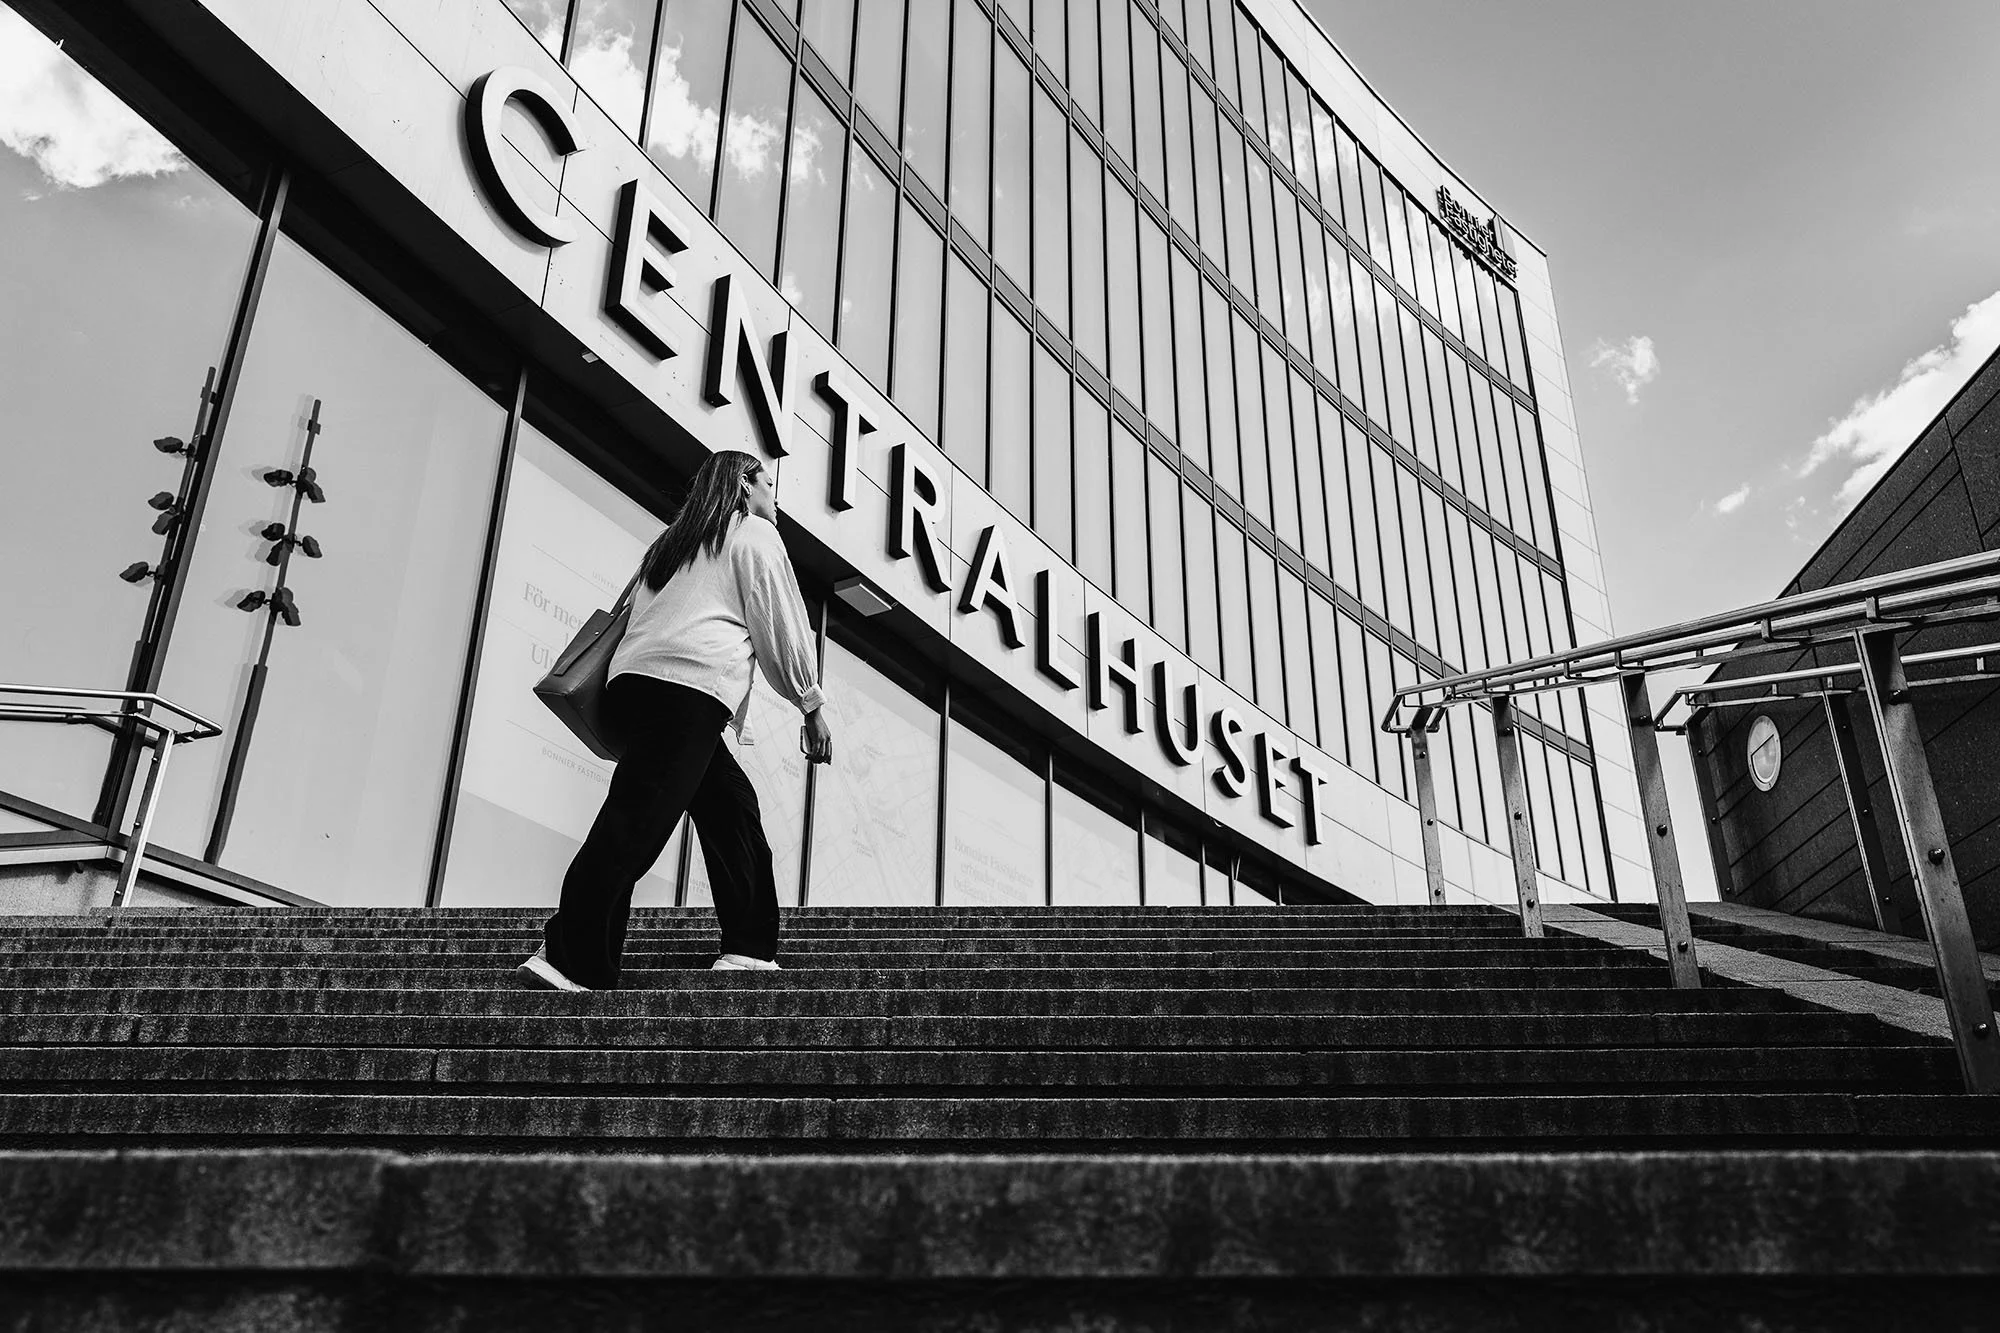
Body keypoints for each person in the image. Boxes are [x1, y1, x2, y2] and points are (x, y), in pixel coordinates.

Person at [519, 450, 832, 992]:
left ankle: (749, 948)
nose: (773, 496)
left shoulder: (673, 543)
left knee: (731, 806)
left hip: (636, 689)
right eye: (768, 483)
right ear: (744, 483)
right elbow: (781, 624)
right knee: (634, 825)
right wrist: (811, 704)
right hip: (685, 694)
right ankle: (569, 958)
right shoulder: (754, 536)